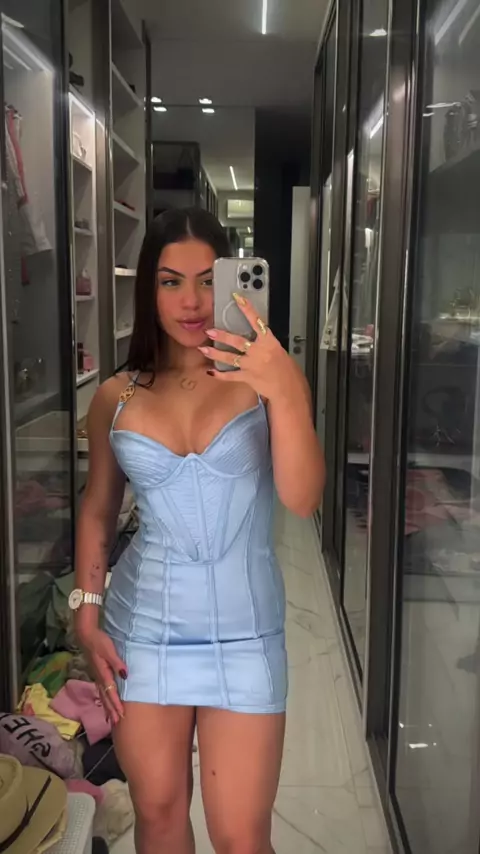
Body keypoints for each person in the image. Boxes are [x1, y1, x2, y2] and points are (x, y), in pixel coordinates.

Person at [73, 208, 325, 854]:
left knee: (241, 838)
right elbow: (98, 508)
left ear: (233, 281)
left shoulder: (265, 384)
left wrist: (286, 389)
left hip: (247, 635)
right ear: (148, 289)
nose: (190, 301)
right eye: (170, 281)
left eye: (208, 280)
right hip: (142, 635)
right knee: (158, 817)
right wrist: (86, 612)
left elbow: (302, 500)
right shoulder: (116, 396)